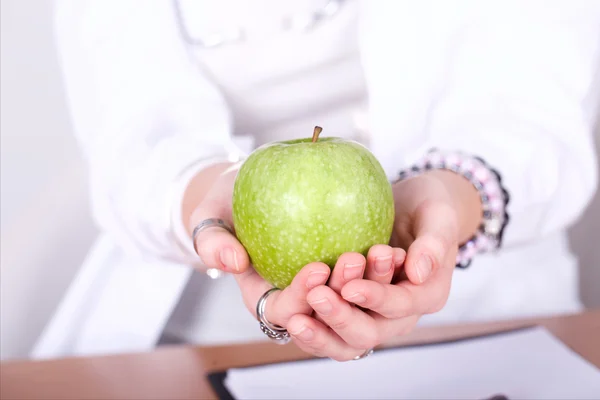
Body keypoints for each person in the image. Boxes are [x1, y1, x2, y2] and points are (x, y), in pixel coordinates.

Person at [33, 0, 600, 361]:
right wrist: (201, 200)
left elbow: (530, 112)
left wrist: (448, 199)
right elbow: (131, 135)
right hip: (203, 321)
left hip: (478, 306)